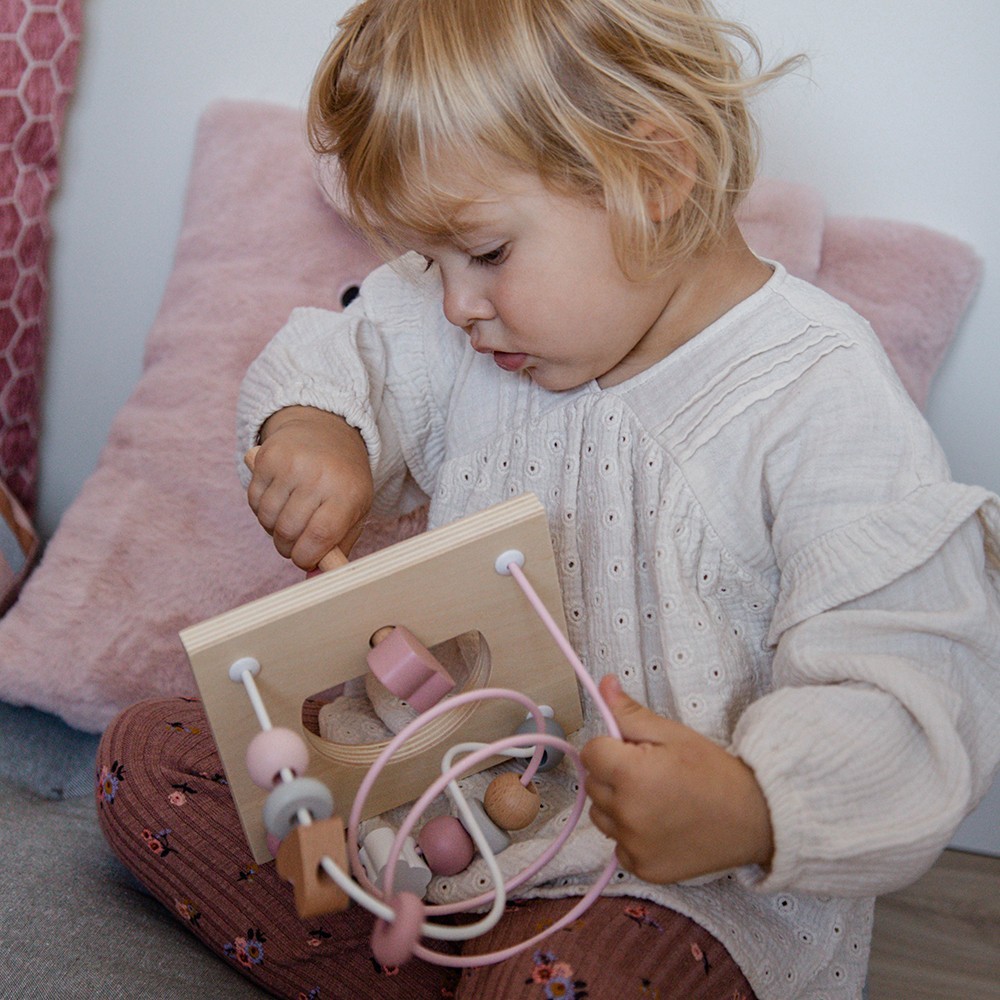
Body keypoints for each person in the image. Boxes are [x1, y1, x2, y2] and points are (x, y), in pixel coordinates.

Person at [97, 1, 1000, 997]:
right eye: (427, 262)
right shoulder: (472, 326)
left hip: (677, 893)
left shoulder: (818, 398)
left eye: (482, 253)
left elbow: (911, 686)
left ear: (652, 177)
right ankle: (432, 962)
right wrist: (317, 433)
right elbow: (350, 348)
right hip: (436, 830)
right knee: (149, 759)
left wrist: (751, 805)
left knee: (569, 978)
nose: (453, 305)